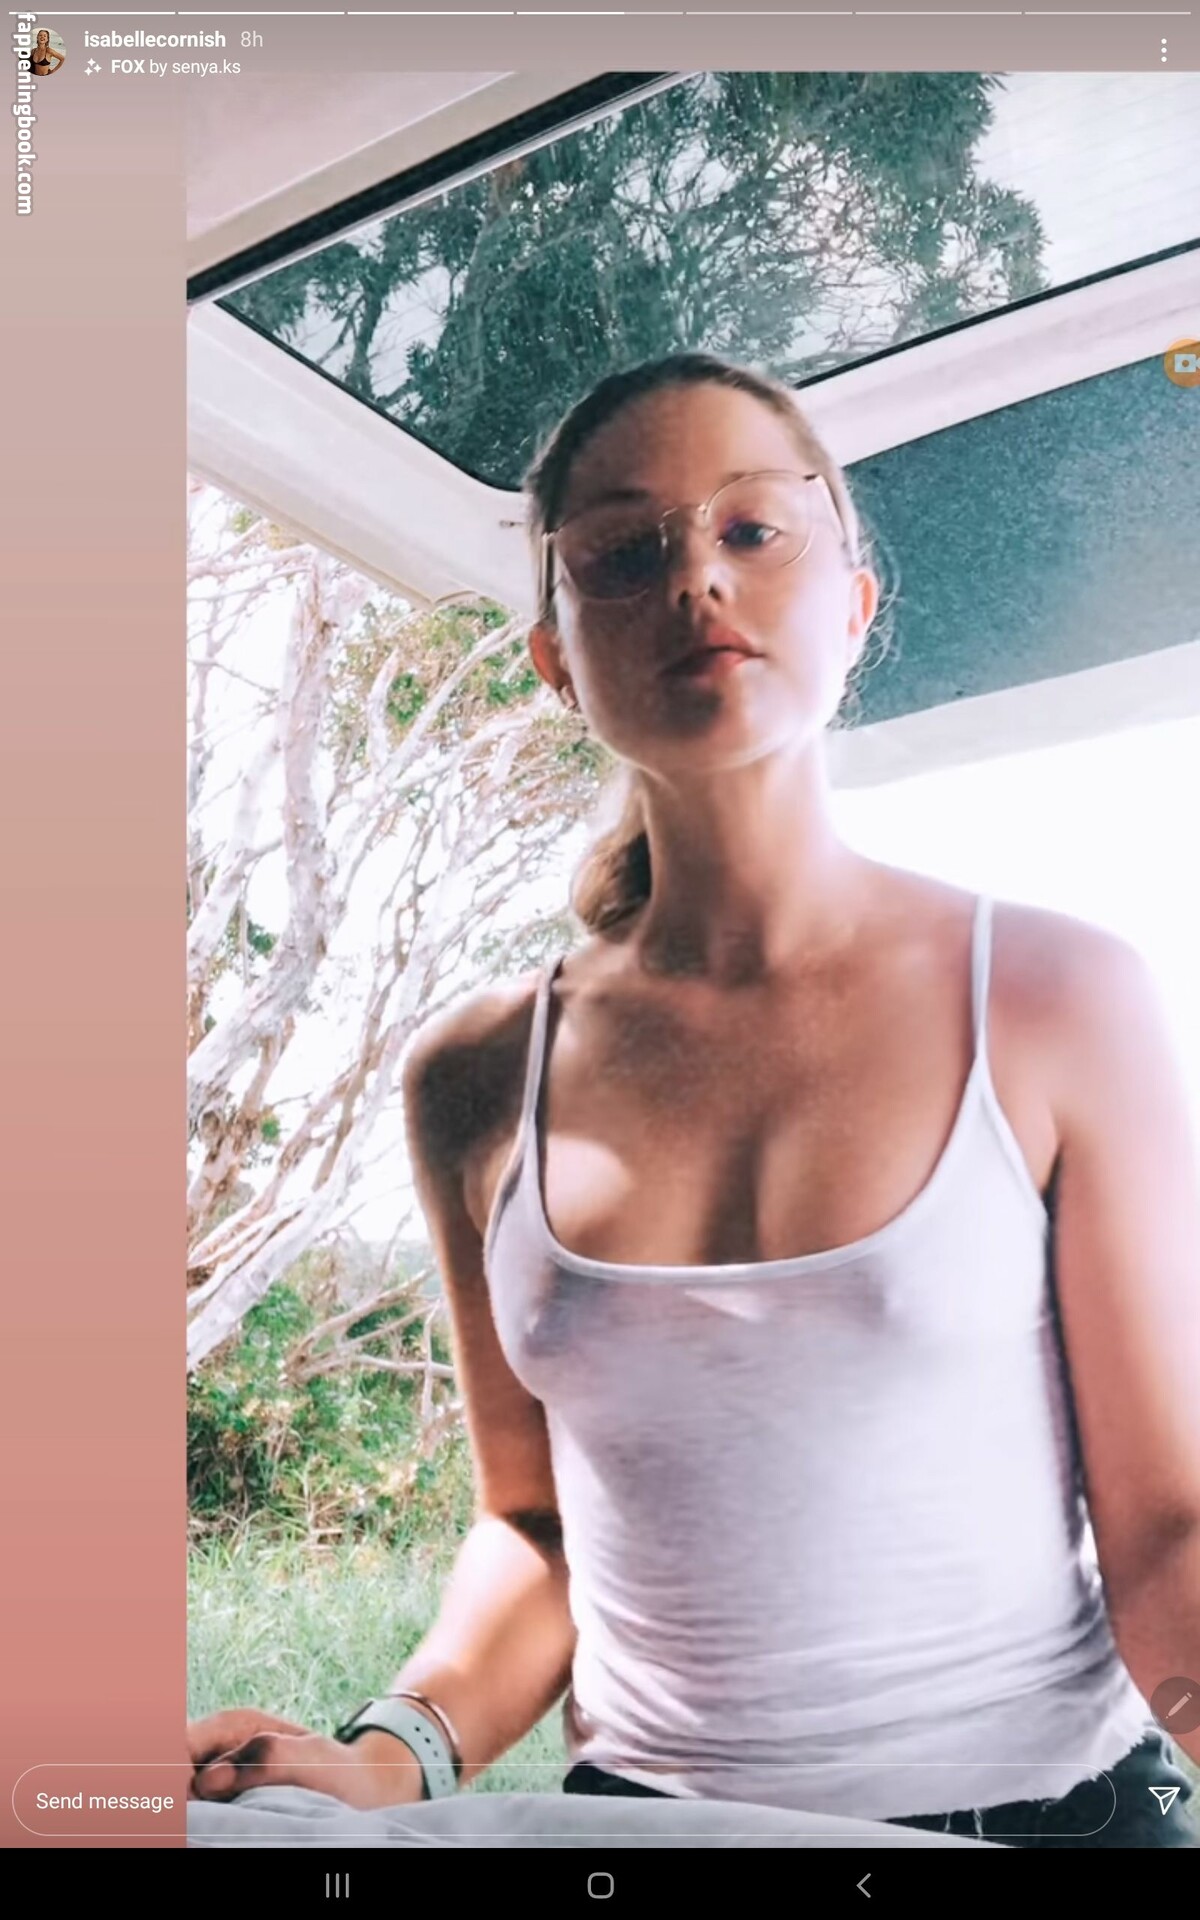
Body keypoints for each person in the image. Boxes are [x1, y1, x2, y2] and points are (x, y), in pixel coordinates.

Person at [189, 354, 1200, 1846]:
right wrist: (391, 1753)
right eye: (623, 551)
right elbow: (534, 1528)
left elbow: (1167, 1531)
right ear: (556, 658)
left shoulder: (1059, 998)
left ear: (854, 605)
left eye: (752, 529)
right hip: (646, 1831)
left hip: (1055, 1821)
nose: (695, 581)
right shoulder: (475, 1076)